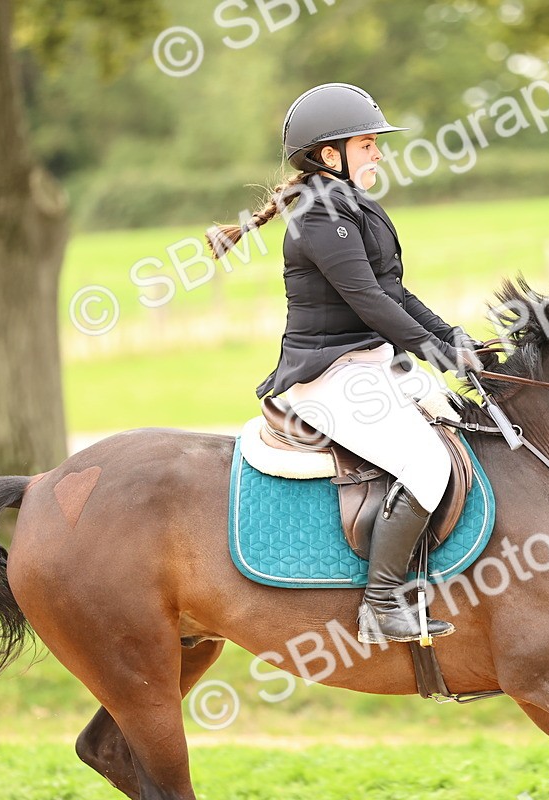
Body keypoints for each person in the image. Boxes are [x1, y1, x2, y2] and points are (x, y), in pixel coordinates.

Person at [206, 83, 483, 644]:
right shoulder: (318, 217)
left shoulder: (355, 206)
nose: (378, 152)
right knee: (428, 466)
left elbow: (395, 293)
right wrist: (437, 352)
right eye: (367, 143)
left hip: (369, 362)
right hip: (329, 376)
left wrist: (453, 338)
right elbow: (370, 303)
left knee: (460, 421)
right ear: (329, 155)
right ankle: (382, 605)